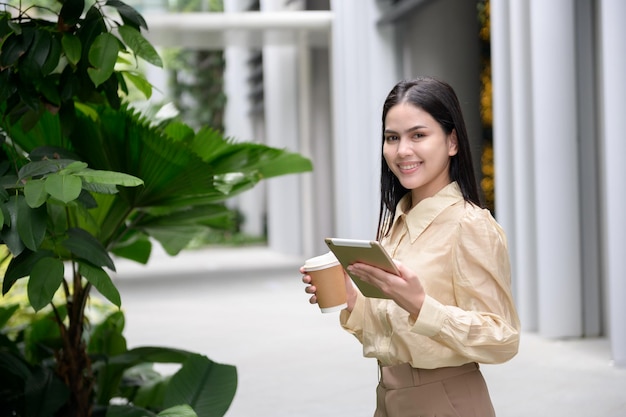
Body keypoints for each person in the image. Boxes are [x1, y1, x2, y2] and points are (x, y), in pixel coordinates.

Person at [301, 77, 520, 417]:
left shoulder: (469, 225)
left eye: (418, 135)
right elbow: (393, 339)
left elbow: (503, 338)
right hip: (389, 398)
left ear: (451, 142)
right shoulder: (395, 226)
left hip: (446, 400)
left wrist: (420, 304)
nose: (402, 150)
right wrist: (353, 301)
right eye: (392, 138)